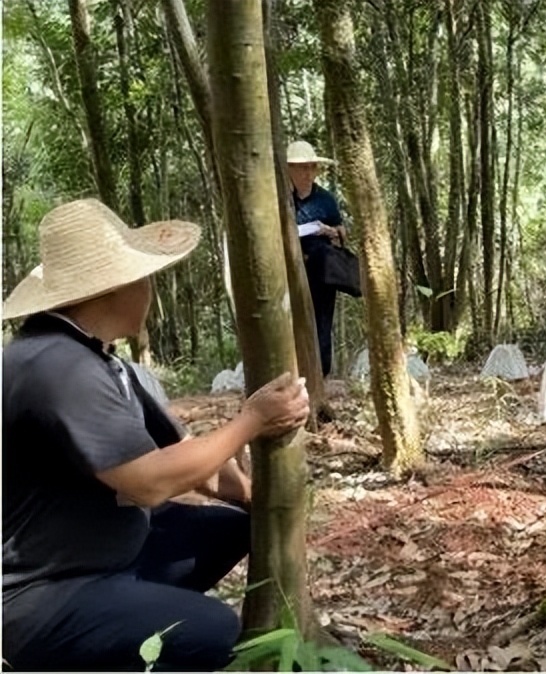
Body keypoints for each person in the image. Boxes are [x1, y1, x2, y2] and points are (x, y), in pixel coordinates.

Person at [2, 199, 310, 671]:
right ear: (113, 287)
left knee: (237, 528)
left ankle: (131, 624)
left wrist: (253, 497)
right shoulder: (56, 366)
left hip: (107, 555)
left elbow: (183, 455)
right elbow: (147, 483)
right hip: (45, 596)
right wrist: (252, 422)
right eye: (143, 278)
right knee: (215, 631)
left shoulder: (101, 360)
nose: (149, 290)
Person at [287, 139, 346, 377]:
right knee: (293, 322)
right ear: (288, 169)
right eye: (301, 167)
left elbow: (342, 233)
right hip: (290, 269)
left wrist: (328, 230)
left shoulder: (326, 199)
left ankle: (321, 373)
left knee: (322, 320)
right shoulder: (280, 198)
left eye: (310, 167)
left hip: (321, 269)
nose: (307, 172)